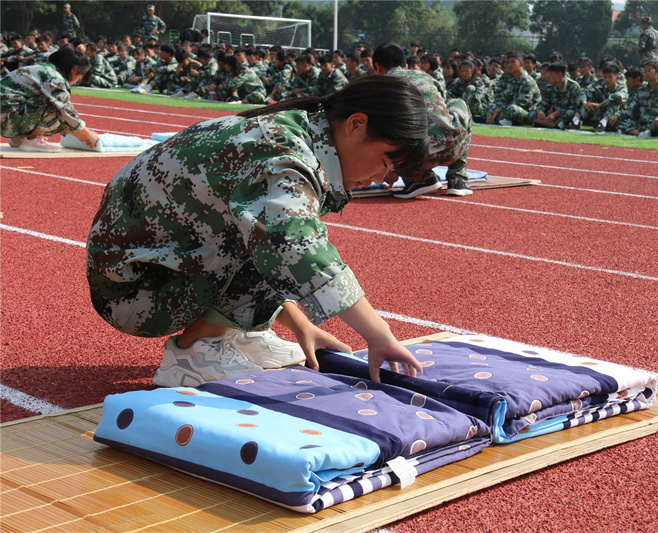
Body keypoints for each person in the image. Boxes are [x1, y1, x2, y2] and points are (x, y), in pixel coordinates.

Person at [85, 75, 428, 388]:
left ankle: (242, 329)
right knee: (278, 235)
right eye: (386, 161)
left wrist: (301, 325)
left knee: (267, 230)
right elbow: (293, 244)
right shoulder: (285, 152)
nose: (383, 178)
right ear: (356, 124)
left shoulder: (298, 131)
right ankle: (195, 351)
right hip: (135, 288)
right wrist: (379, 334)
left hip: (152, 264)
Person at [372, 42, 473, 198]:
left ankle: (419, 180)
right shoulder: (423, 75)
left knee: (380, 126)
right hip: (452, 147)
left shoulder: (379, 88)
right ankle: (457, 178)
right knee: (458, 104)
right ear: (404, 65)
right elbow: (441, 107)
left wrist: (387, 168)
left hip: (415, 158)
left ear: (377, 67)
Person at [1, 45, 98, 152]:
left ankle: (18, 137)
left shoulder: (45, 69)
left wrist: (78, 133)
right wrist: (89, 134)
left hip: (7, 115)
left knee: (56, 112)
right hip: (8, 117)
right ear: (74, 70)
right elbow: (66, 110)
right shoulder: (54, 77)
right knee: (55, 105)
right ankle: (32, 140)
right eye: (78, 79)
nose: (75, 83)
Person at [617, 60, 658, 137]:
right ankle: (639, 133)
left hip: (656, 123)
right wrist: (617, 115)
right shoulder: (641, 90)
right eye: (645, 71)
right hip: (641, 123)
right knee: (618, 119)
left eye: (649, 71)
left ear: (657, 72)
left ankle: (634, 132)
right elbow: (632, 108)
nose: (646, 74)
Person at [485, 50, 540, 126]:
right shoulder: (511, 80)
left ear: (521, 64)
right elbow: (504, 99)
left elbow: (520, 103)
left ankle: (500, 120)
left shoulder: (528, 82)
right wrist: (492, 111)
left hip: (528, 112)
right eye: (508, 62)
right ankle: (499, 120)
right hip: (510, 109)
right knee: (489, 108)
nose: (509, 65)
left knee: (512, 109)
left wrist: (498, 110)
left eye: (513, 62)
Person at [574, 63, 628, 133]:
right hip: (598, 118)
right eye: (605, 77)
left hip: (615, 120)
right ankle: (575, 121)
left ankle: (603, 123)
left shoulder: (622, 88)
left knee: (615, 102)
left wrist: (600, 104)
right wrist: (585, 104)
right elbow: (584, 91)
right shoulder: (601, 89)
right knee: (587, 97)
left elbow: (617, 96)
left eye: (610, 77)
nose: (607, 80)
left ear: (617, 78)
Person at [533, 61, 581, 129]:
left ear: (560, 75)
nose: (548, 76)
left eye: (551, 74)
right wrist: (540, 111)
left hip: (564, 114)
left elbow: (575, 107)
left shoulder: (573, 86)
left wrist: (557, 113)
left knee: (571, 113)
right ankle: (554, 124)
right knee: (533, 113)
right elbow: (544, 102)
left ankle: (556, 124)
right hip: (552, 116)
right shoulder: (549, 87)